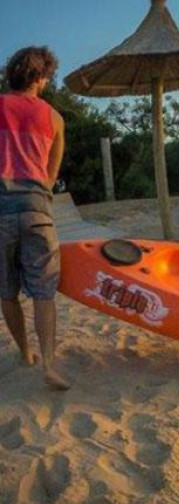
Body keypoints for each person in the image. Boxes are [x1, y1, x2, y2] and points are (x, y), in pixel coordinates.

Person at [0, 46, 69, 390]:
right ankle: (50, 365)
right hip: (37, 208)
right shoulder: (55, 118)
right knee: (44, 292)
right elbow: (51, 175)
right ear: (40, 79)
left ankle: (25, 352)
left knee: (6, 290)